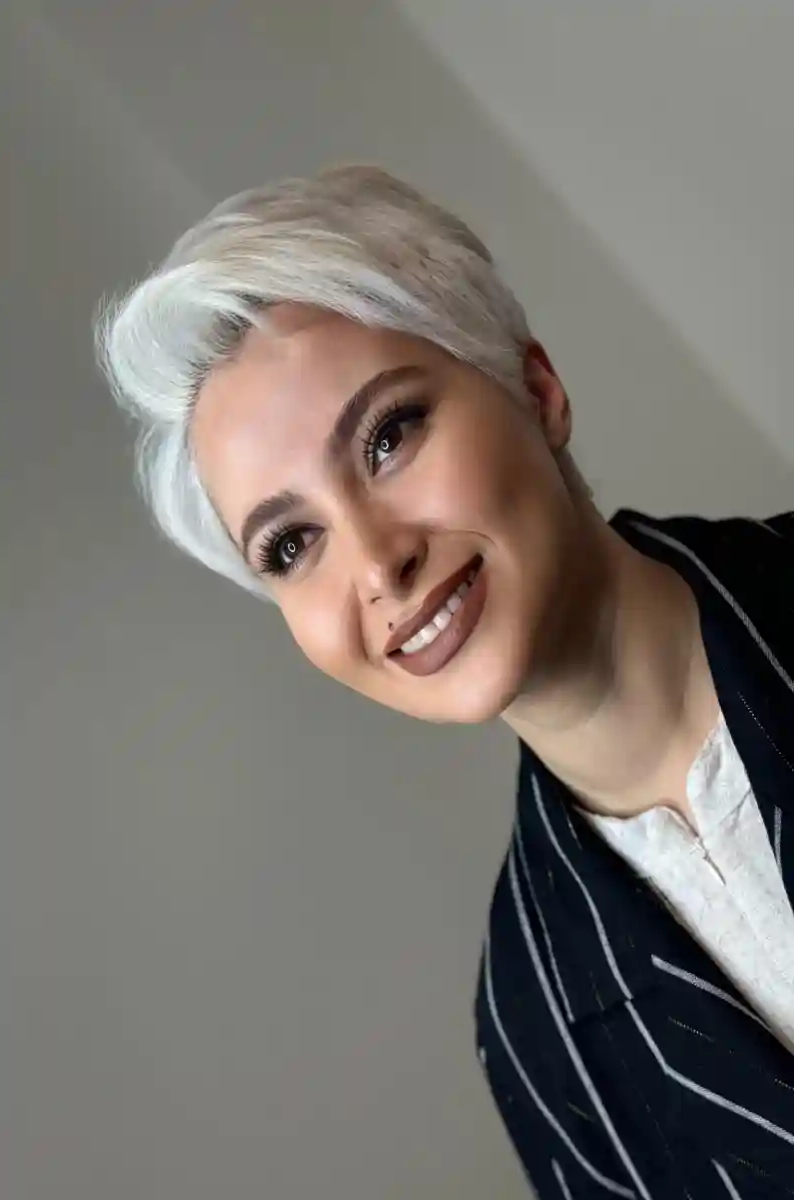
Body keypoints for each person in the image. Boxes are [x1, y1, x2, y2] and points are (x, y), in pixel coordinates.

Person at [97, 165, 794, 1198]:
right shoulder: (531, 1032)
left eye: (388, 437)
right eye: (291, 545)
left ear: (536, 390)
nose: (378, 564)